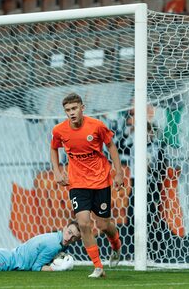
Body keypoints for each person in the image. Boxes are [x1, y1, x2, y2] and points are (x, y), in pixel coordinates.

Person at [50, 93, 124, 278]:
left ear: (82, 107)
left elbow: (111, 146)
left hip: (100, 181)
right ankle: (98, 267)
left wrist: (119, 171)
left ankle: (116, 245)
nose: (71, 113)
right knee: (83, 222)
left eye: (74, 108)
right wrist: (57, 172)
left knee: (103, 224)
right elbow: (53, 148)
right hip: (77, 182)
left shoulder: (97, 126)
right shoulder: (59, 130)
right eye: (68, 110)